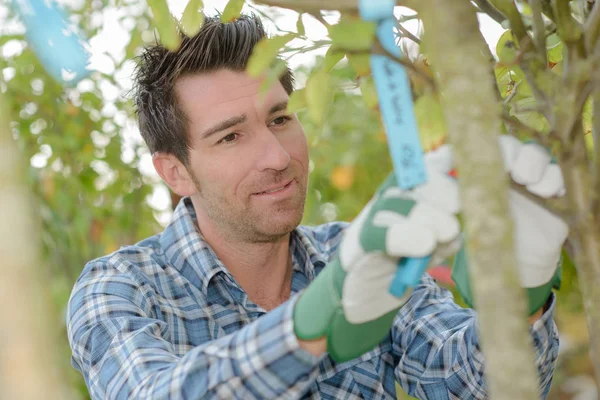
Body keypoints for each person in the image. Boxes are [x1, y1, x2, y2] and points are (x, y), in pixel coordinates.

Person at [67, 14, 569, 399]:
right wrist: (311, 324)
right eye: (231, 137)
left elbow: (466, 383)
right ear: (174, 171)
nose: (278, 157)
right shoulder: (120, 288)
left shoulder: (358, 251)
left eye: (280, 119)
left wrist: (520, 298)